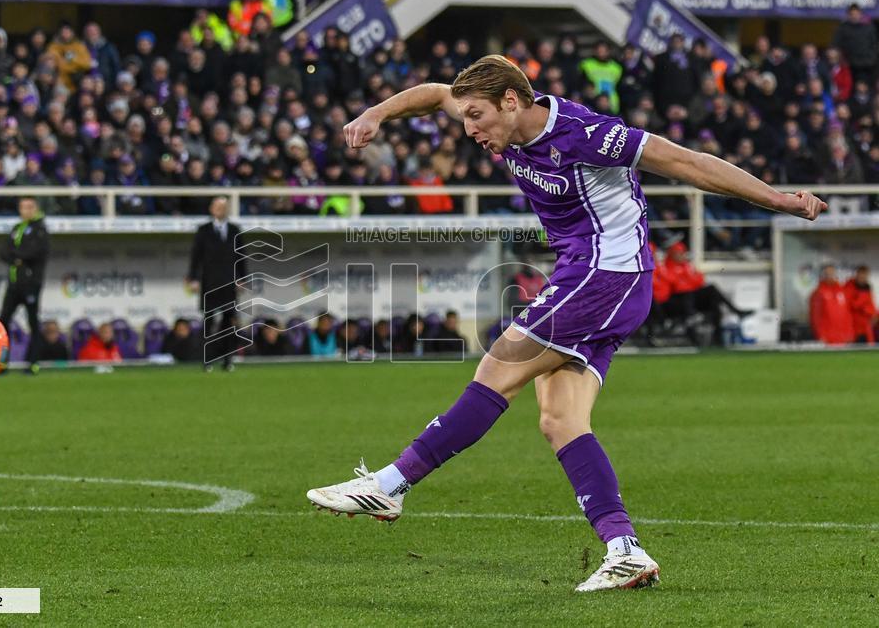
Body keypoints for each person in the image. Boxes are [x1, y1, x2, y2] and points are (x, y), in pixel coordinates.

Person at [306, 54, 827, 592]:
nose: (470, 130)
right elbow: (437, 89)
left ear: (512, 100)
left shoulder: (586, 134)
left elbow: (688, 162)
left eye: (477, 117)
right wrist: (376, 113)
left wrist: (777, 200)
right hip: (598, 279)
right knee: (560, 421)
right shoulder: (495, 117)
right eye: (466, 119)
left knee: (498, 367)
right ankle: (624, 549)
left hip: (606, 275)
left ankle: (391, 484)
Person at [187, 197, 246, 370]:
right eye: (217, 206)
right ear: (211, 209)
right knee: (209, 321)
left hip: (229, 283)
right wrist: (194, 278)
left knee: (229, 322)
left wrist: (242, 278)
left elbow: (241, 257)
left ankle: (228, 360)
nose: (221, 209)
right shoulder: (203, 231)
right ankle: (207, 360)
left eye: (224, 206)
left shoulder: (235, 230)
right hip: (210, 282)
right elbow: (196, 257)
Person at [0, 197, 50, 374]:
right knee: (3, 321)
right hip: (13, 284)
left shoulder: (40, 230)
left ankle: (33, 363)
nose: (24, 211)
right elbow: (4, 252)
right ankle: (2, 363)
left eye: (28, 207)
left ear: (35, 208)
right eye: (21, 207)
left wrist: (18, 256)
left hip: (31, 284)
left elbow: (33, 253)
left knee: (33, 323)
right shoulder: (16, 229)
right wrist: (17, 257)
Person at [809, 265, 854, 345]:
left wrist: (850, 333)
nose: (830, 276)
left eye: (832, 273)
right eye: (827, 274)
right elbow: (815, 317)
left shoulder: (843, 291)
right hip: (827, 338)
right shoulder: (818, 293)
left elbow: (848, 314)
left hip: (843, 337)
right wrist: (820, 335)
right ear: (823, 276)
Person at [844, 266, 876, 344]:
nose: (863, 277)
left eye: (865, 275)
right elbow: (852, 305)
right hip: (854, 325)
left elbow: (871, 304)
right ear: (857, 275)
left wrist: (874, 314)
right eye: (861, 275)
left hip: (866, 325)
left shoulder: (867, 287)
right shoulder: (849, 287)